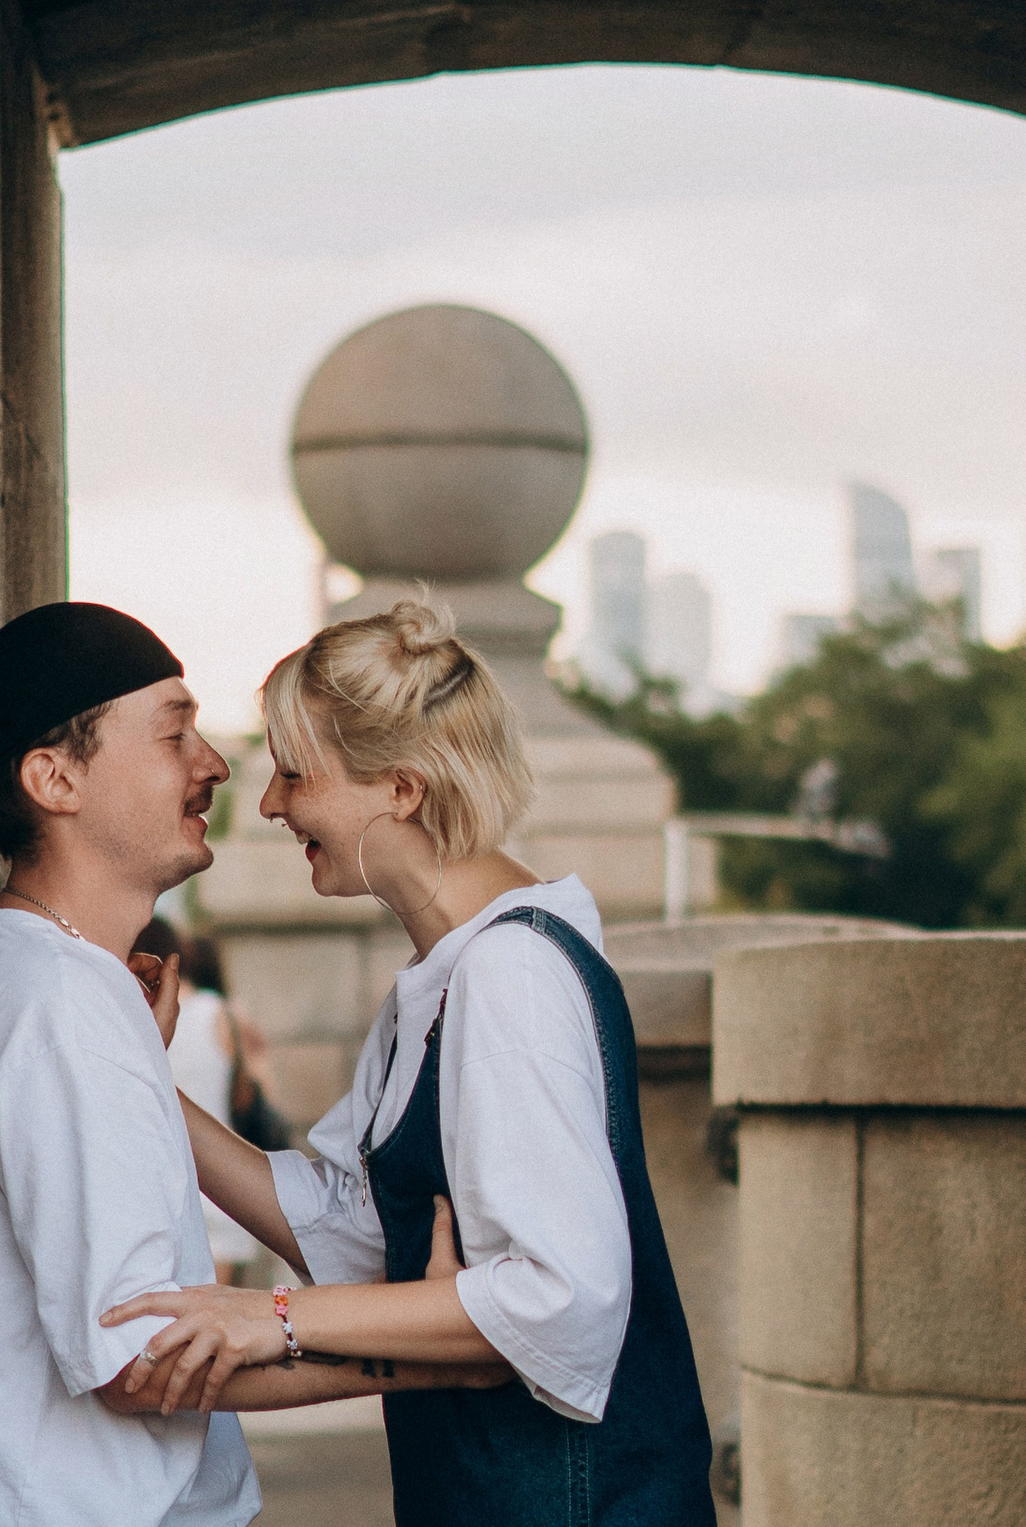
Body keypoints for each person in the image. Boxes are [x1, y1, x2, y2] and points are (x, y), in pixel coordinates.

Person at [101, 598, 716, 1524]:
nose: (268, 802)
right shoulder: (445, 977)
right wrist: (148, 1077)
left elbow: (564, 1298)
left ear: (401, 787)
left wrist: (269, 1317)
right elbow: (352, 1231)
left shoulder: (509, 976)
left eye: (297, 773)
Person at [0, 602, 506, 1527]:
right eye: (175, 732)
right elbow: (141, 1361)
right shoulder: (57, 1009)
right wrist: (450, 1345)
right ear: (54, 777)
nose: (217, 765)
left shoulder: (57, 989)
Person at [139, 917, 269, 1283]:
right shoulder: (223, 1014)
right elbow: (250, 1092)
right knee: (220, 1320)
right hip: (223, 1185)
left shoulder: (132, 1014)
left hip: (159, 1187)